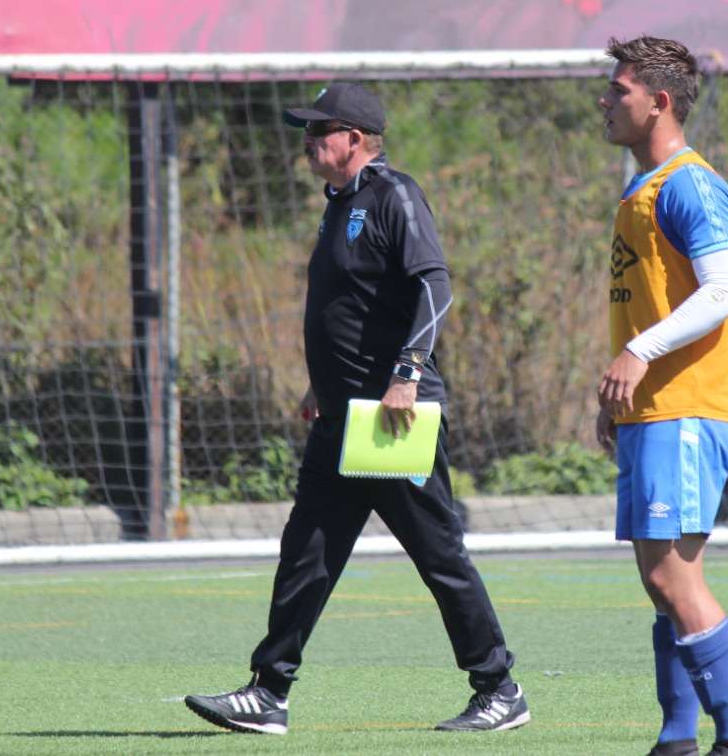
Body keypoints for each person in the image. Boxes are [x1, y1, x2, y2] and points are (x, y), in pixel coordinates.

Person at [185, 82, 529, 736]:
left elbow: (435, 285)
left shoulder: (392, 194)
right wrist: (322, 383)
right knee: (307, 550)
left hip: (393, 420)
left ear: (355, 137)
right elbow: (350, 309)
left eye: (321, 130)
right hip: (341, 419)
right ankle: (268, 690)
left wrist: (406, 375)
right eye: (307, 130)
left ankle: (498, 686)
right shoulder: (337, 205)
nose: (309, 141)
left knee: (439, 555)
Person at [594, 36, 728, 756]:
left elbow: (726, 291)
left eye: (620, 90)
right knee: (662, 577)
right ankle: (675, 738)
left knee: (671, 575)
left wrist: (640, 352)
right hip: (653, 407)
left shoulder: (690, 184)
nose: (605, 100)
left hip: (688, 402)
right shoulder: (641, 188)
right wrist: (616, 393)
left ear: (660, 102)